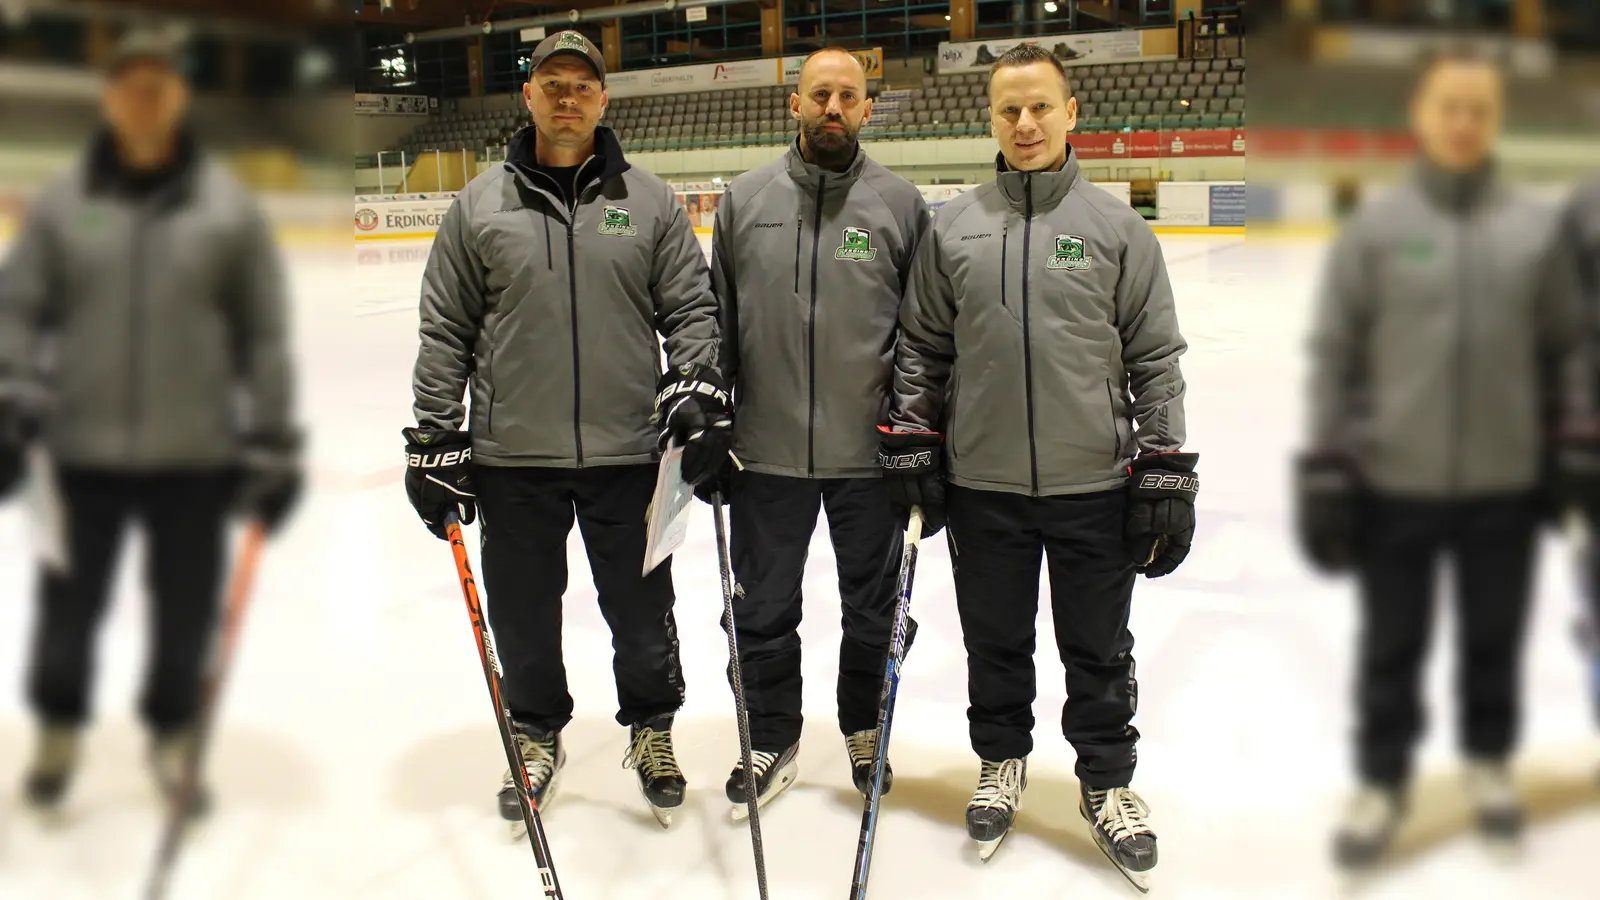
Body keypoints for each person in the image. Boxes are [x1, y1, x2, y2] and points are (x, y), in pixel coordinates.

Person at [403, 30, 729, 832]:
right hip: (514, 456)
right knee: (522, 614)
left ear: (603, 100)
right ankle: (536, 733)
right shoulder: (479, 205)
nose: (568, 97)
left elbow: (690, 308)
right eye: (554, 82)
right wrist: (436, 435)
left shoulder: (648, 202)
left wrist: (693, 387)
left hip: (631, 456)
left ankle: (651, 730)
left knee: (643, 610)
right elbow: (445, 329)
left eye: (583, 85)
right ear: (530, 95)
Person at [880, 44, 1192, 879]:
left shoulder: (1117, 229)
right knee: (995, 643)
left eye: (1040, 108)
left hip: (1093, 483)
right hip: (984, 487)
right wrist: (913, 442)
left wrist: (1164, 466)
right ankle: (1001, 760)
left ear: (1070, 113)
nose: (1025, 124)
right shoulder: (953, 228)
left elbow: (1155, 359)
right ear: (991, 118)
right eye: (1009, 110)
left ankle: (1107, 782)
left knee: (1098, 648)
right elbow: (921, 351)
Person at [0, 29, 302, 814]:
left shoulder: (225, 208)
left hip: (194, 455)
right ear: (109, 99)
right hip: (78, 454)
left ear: (177, 97)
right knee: (68, 608)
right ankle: (60, 728)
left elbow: (261, 334)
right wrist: (11, 402)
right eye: (127, 84)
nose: (142, 98)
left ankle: (173, 737)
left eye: (157, 85)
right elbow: (18, 313)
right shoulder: (66, 204)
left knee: (186, 614)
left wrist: (272, 441)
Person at [1295, 48, 1581, 868]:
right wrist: (1326, 466)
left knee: (1494, 636)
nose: (1463, 124)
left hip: (1507, 481)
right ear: (1421, 114)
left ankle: (1488, 764)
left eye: (1480, 110)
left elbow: (1569, 351)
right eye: (1449, 107)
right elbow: (1335, 355)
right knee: (1393, 644)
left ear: (1497, 120)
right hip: (1398, 483)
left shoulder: (1536, 228)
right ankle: (1383, 780)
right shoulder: (1380, 230)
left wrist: (1574, 447)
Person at [707, 46, 929, 813]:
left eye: (849, 96)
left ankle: (865, 728)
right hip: (765, 454)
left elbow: (923, 337)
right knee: (763, 609)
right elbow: (718, 326)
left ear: (869, 109)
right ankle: (772, 734)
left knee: (875, 611)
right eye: (819, 95)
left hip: (869, 459)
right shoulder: (743, 201)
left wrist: (914, 436)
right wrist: (710, 418)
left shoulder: (901, 206)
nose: (833, 108)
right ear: (793, 105)